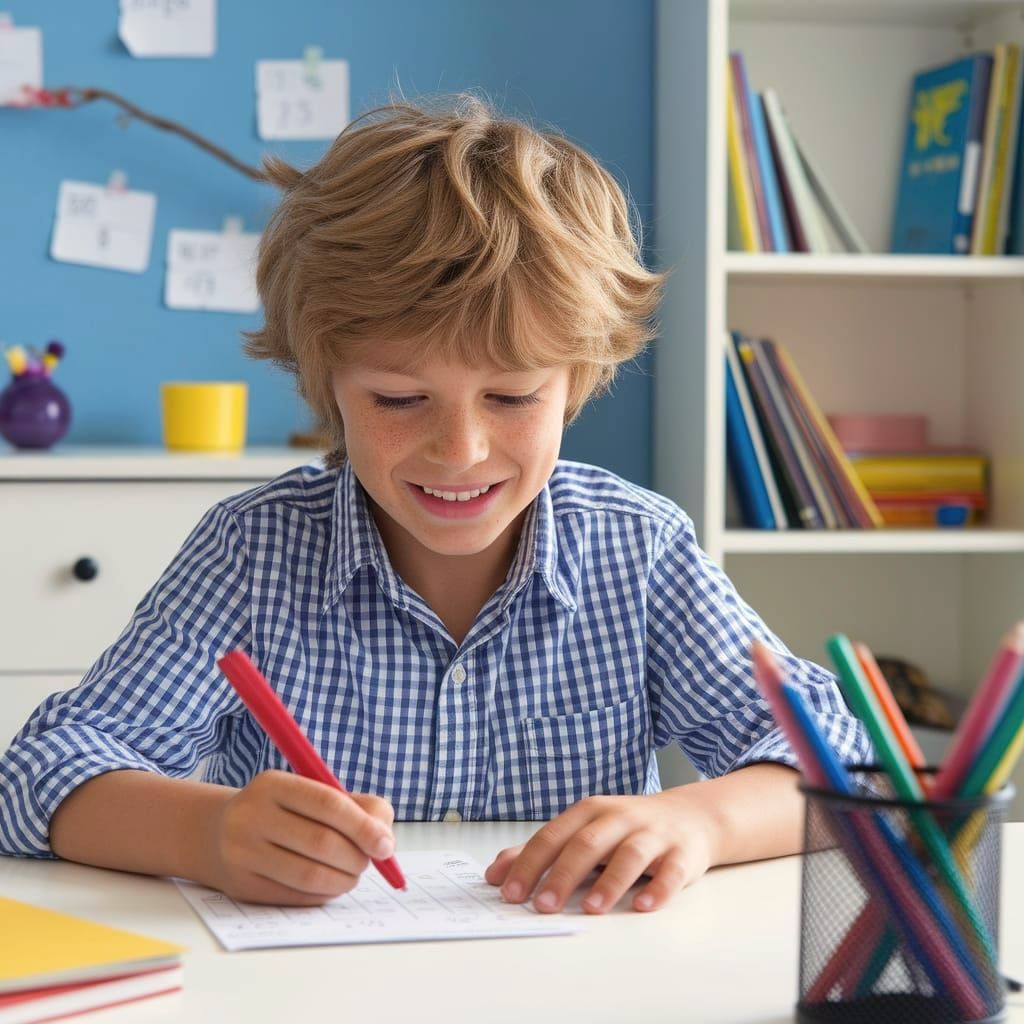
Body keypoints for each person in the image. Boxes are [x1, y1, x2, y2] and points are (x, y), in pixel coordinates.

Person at [0, 93, 870, 914]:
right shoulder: (252, 552)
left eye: (512, 397)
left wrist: (700, 821)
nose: (461, 450)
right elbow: (41, 772)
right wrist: (210, 833)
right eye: (399, 399)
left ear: (574, 383)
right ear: (328, 385)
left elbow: (839, 767)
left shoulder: (636, 550)